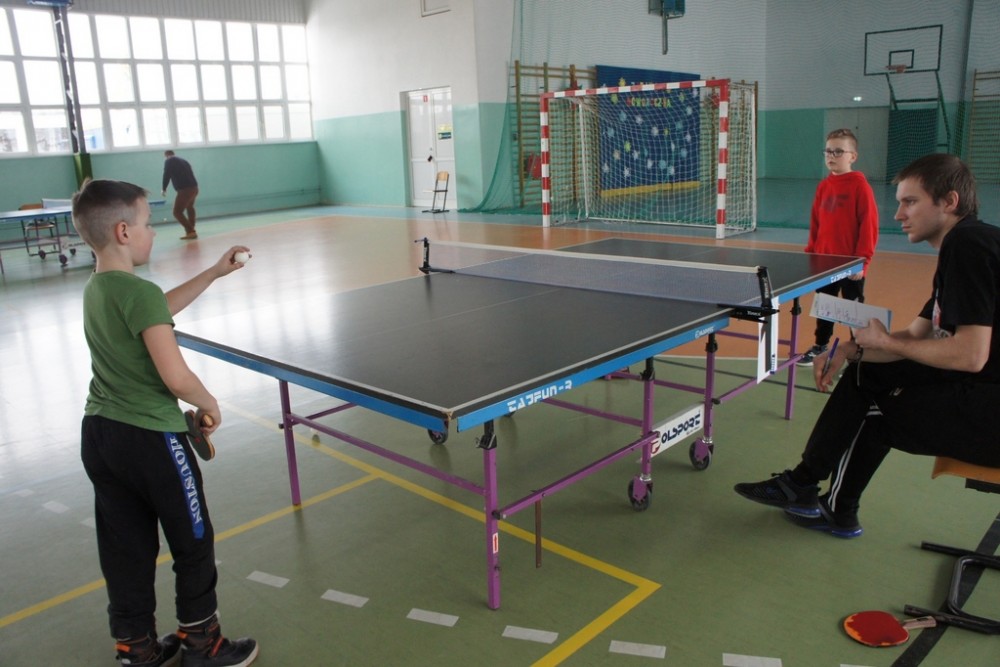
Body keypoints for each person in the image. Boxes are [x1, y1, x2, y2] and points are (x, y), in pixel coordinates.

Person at [734, 153, 1000, 538]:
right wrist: (852, 351)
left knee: (877, 414)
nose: (898, 214)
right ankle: (801, 484)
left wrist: (885, 341)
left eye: (910, 202)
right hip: (983, 386)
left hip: (989, 407)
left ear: (949, 202)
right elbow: (916, 336)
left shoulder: (968, 244)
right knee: (865, 372)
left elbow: (970, 355)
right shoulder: (965, 246)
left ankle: (837, 510)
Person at [73, 179, 258, 666]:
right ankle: (202, 643)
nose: (153, 232)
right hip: (152, 440)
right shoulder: (139, 293)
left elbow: (154, 308)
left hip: (100, 436)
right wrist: (209, 402)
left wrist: (213, 273)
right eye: (147, 223)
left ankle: (136, 648)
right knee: (193, 541)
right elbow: (176, 377)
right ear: (123, 232)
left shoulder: (98, 288)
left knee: (125, 547)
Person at [797, 129, 879, 365]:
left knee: (853, 310)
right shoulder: (824, 186)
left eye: (838, 151)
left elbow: (869, 226)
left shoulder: (860, 186)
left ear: (853, 156)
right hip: (824, 263)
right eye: (828, 151)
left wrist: (862, 263)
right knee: (825, 307)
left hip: (851, 265)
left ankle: (858, 351)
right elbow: (816, 222)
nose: (831, 156)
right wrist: (811, 254)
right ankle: (820, 346)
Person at [162, 150, 200, 240]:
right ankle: (191, 227)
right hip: (194, 188)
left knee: (177, 212)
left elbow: (166, 174)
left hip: (185, 190)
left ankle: (191, 231)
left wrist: (164, 188)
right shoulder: (184, 161)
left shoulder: (169, 161)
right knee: (190, 207)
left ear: (166, 156)